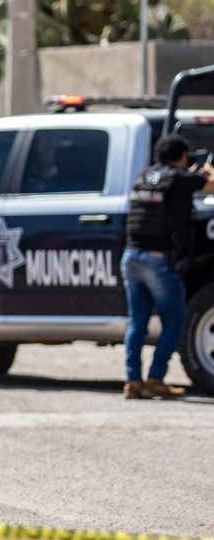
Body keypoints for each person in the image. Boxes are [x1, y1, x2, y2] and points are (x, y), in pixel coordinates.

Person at [122, 135, 214, 400]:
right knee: (174, 320)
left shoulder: (143, 176)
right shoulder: (178, 178)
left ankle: (133, 381)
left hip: (131, 256)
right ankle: (155, 379)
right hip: (157, 259)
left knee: (137, 323)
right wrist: (207, 168)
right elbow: (212, 185)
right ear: (180, 157)